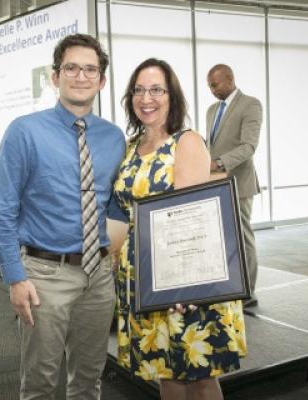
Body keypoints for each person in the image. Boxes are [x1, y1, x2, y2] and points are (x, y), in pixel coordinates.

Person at [0, 34, 125, 400]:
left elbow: (114, 204)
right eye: (72, 68)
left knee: (88, 381)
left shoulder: (114, 138)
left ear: (102, 80)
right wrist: (15, 278)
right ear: (55, 76)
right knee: (40, 384)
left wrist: (114, 254)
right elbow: (1, 212)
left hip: (98, 278)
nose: (81, 76)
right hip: (44, 275)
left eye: (90, 69)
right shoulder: (24, 132)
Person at [112, 58, 247, 400]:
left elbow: (194, 217)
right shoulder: (129, 148)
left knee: (198, 375)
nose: (147, 98)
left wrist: (184, 287)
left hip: (182, 282)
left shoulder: (186, 142)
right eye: (139, 90)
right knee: (165, 371)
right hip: (142, 280)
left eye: (157, 89)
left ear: (172, 96)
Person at [206, 64, 262, 307]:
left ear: (229, 79)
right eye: (209, 85)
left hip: (239, 183)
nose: (212, 90)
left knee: (242, 237)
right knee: (223, 238)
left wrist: (218, 163)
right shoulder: (211, 110)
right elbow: (212, 145)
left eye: (215, 84)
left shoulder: (250, 104)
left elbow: (248, 146)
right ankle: (229, 286)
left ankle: (248, 292)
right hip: (215, 184)